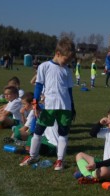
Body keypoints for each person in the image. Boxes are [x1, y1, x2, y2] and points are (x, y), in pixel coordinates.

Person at [19, 37, 76, 171]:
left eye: (69, 61)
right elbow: (38, 86)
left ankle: (60, 161)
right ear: (57, 53)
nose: (67, 62)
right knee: (38, 131)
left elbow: (69, 90)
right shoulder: (44, 66)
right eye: (66, 59)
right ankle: (33, 156)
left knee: (63, 134)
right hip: (48, 106)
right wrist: (35, 102)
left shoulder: (67, 70)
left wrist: (72, 106)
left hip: (65, 107)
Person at [74, 106, 110, 183]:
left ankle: (85, 172)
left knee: (103, 171)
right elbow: (92, 134)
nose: (107, 123)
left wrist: (96, 165)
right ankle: (88, 175)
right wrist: (99, 124)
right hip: (104, 163)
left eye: (109, 122)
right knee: (80, 155)